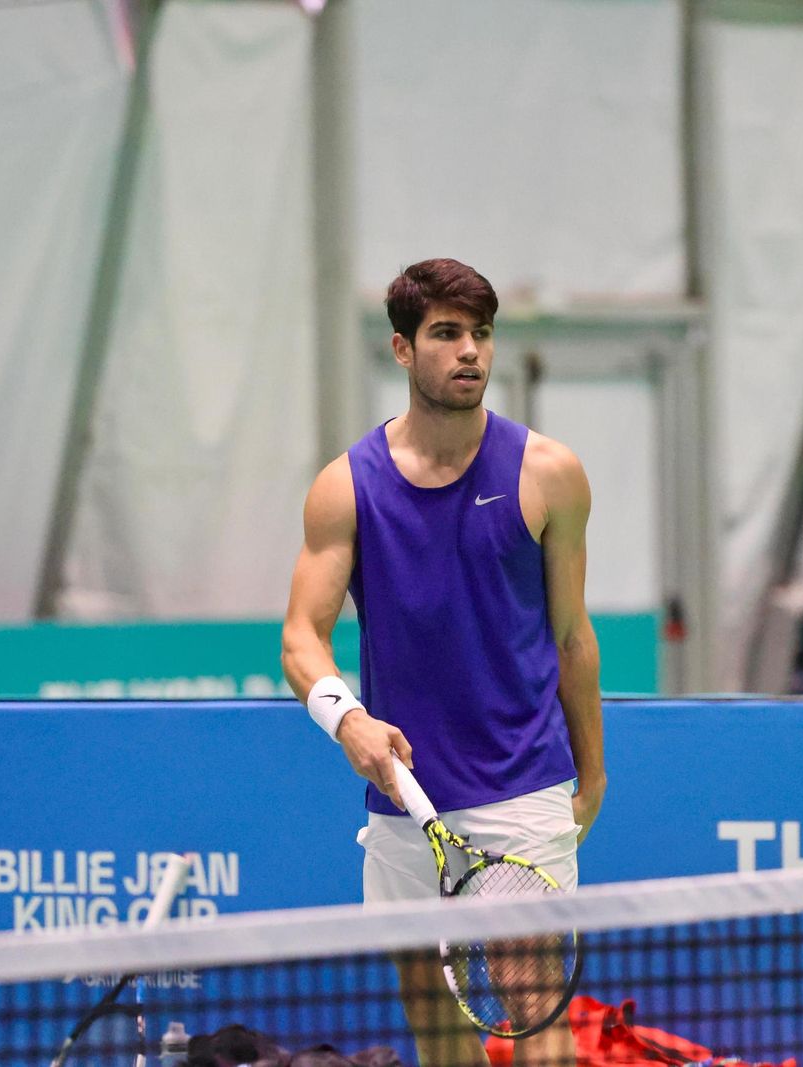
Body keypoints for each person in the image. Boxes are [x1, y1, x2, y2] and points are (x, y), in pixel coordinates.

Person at [281, 258, 605, 1067]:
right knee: (433, 1016)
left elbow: (572, 637)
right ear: (402, 348)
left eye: (482, 333)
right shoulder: (345, 488)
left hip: (523, 784)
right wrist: (346, 718)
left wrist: (590, 773)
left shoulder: (549, 474)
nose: (470, 352)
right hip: (405, 797)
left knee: (534, 1012)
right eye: (447, 333)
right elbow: (300, 639)